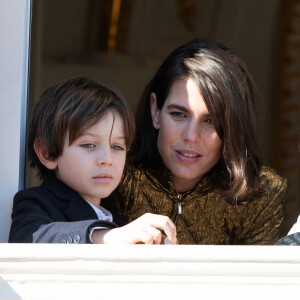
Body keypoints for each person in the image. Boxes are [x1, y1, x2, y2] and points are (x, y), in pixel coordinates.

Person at [103, 39, 287, 245]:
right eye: (179, 114)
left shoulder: (261, 192)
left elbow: (256, 277)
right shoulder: (112, 169)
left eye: (210, 121)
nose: (191, 136)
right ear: (156, 111)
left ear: (232, 126)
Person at [8, 77, 177, 244]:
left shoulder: (116, 221)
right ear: (48, 153)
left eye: (117, 147)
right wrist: (106, 237)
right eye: (89, 145)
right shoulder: (36, 202)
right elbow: (31, 237)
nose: (107, 159)